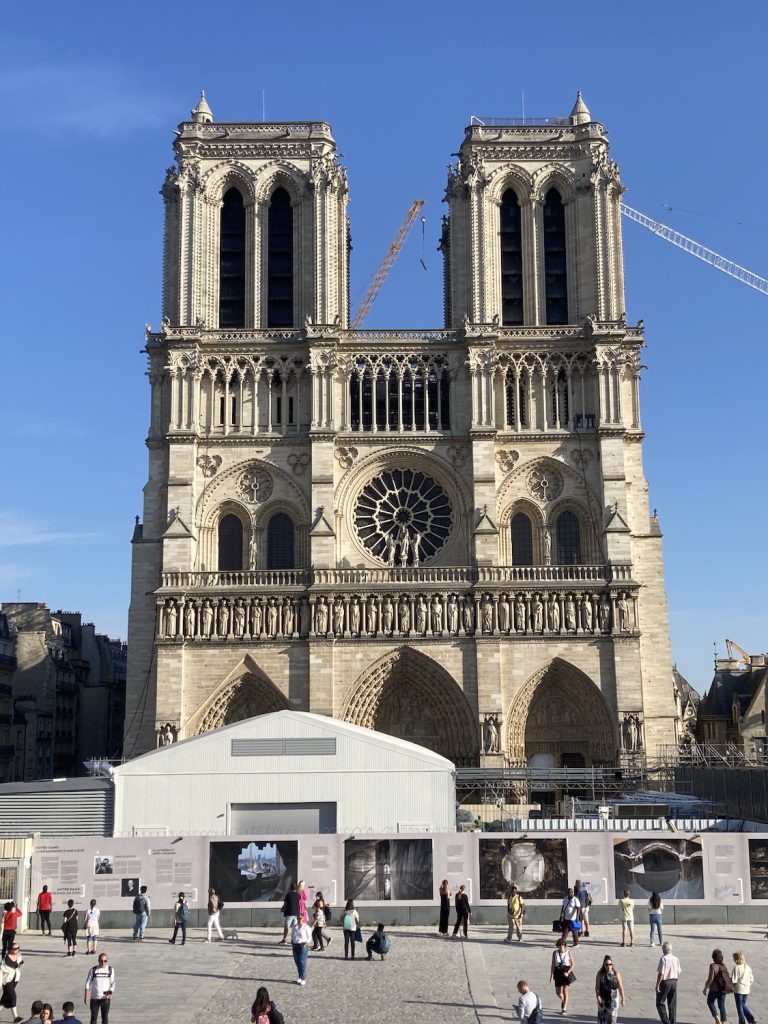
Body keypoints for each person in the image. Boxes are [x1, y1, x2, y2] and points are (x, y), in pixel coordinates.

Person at [84, 953, 115, 1024]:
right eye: (101, 961)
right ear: (98, 961)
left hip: (105, 998)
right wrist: (86, 996)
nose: (103, 963)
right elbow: (87, 984)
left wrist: (110, 992)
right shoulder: (93, 970)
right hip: (94, 998)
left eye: (105, 961)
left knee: (105, 1017)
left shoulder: (110, 970)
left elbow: (113, 983)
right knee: (93, 1018)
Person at [655, 940, 682, 1024]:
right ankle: (672, 1021)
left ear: (664, 950)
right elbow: (678, 972)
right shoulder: (676, 959)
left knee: (660, 1002)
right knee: (672, 1004)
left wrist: (657, 985)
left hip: (665, 982)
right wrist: (676, 981)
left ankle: (666, 1022)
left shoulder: (663, 959)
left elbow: (661, 973)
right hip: (674, 981)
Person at [703, 948, 732, 1024]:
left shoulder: (713, 966)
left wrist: (706, 988)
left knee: (710, 1002)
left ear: (713, 957)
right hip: (723, 989)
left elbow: (710, 978)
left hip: (714, 989)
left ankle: (717, 1020)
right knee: (721, 1005)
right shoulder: (724, 966)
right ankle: (723, 1021)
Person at [595, 955, 625, 1024]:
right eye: (607, 965)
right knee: (602, 1018)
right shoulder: (600, 974)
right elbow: (597, 986)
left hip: (613, 999)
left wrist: (623, 998)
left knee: (612, 1018)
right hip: (603, 998)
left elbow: (620, 986)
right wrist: (598, 995)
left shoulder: (616, 974)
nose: (609, 966)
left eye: (610, 964)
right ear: (604, 965)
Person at [550, 937, 575, 1015]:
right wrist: (551, 974)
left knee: (565, 990)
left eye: (563, 945)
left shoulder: (568, 952)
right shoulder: (555, 953)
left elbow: (573, 964)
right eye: (560, 945)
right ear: (557, 946)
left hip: (566, 971)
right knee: (558, 992)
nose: (561, 946)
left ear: (565, 945)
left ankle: (564, 1008)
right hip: (558, 972)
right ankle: (563, 1000)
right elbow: (553, 964)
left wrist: (568, 972)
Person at [0, 940, 23, 1023]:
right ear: (11, 949)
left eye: (18, 948)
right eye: (15, 948)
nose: (17, 950)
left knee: (4, 999)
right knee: (13, 996)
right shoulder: (5, 960)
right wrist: (0, 984)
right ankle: (15, 1017)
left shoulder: (19, 956)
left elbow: (19, 964)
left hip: (15, 980)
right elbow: (1, 972)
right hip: (7, 981)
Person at [731, 951, 755, 1024]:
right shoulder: (748, 967)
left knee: (740, 1007)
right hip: (746, 990)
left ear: (736, 959)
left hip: (738, 990)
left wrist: (731, 987)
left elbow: (734, 980)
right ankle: (751, 1020)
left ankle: (742, 1022)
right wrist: (747, 985)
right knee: (743, 1005)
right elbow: (752, 979)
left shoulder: (736, 968)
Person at [290, 912, 311, 985]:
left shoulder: (306, 927)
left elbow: (309, 937)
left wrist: (307, 943)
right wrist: (292, 942)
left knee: (302, 961)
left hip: (303, 945)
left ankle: (303, 978)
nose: (299, 920)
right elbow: (292, 935)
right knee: (297, 961)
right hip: (295, 945)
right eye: (298, 918)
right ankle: (300, 976)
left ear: (303, 919)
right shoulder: (294, 927)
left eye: (300, 918)